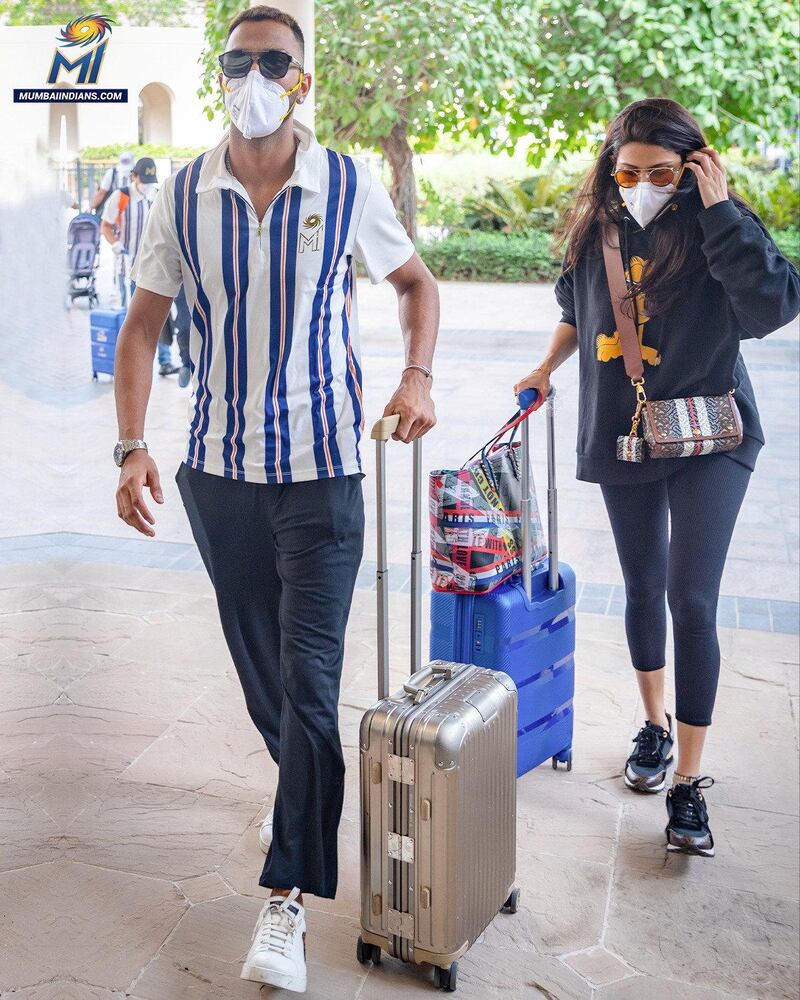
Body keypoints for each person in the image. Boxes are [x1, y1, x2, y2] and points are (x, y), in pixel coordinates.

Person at [113, 5, 439, 992]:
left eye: (272, 61)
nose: (251, 74)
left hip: (326, 468)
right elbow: (139, 328)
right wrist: (130, 445)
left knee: (307, 678)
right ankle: (303, 786)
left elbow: (416, 285)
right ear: (220, 74)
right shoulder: (181, 194)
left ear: (299, 80)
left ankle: (285, 901)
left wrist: (416, 374)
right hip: (218, 475)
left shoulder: (344, 183)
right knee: (267, 679)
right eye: (236, 60)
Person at [515, 98, 800, 859]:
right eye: (629, 170)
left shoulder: (718, 225)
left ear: (693, 166)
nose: (642, 184)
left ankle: (690, 785)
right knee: (642, 586)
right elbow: (577, 310)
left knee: (691, 598)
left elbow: (773, 307)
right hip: (626, 430)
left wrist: (719, 207)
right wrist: (545, 368)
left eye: (662, 172)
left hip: (713, 433)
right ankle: (654, 725)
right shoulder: (596, 230)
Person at [101, 157, 180, 376]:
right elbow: (106, 226)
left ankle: (165, 361)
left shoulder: (156, 196)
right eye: (142, 179)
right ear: (134, 176)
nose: (146, 184)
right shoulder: (122, 197)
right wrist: (116, 244)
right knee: (135, 320)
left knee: (159, 318)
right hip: (128, 266)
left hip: (153, 269)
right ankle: (131, 367)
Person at [91, 149, 133, 217]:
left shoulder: (135, 174)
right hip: (112, 210)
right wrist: (91, 208)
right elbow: (102, 193)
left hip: (129, 210)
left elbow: (101, 193)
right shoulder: (111, 173)